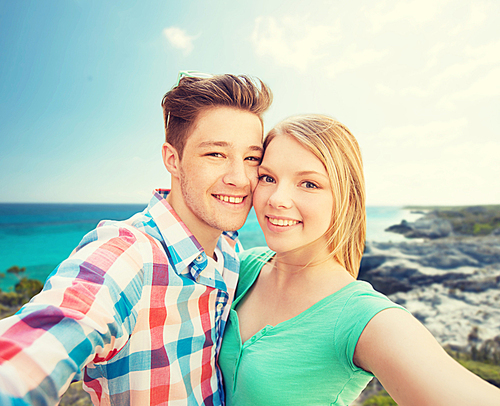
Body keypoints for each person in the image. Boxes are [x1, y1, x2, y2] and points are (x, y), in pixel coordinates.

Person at [0, 71, 272, 405]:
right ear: (173, 159)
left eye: (252, 158)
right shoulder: (129, 255)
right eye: (215, 154)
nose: (240, 178)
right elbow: (34, 348)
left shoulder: (229, 252)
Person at [219, 114, 500, 405]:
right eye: (268, 178)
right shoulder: (242, 267)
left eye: (309, 184)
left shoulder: (364, 318)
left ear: (347, 199)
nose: (277, 198)